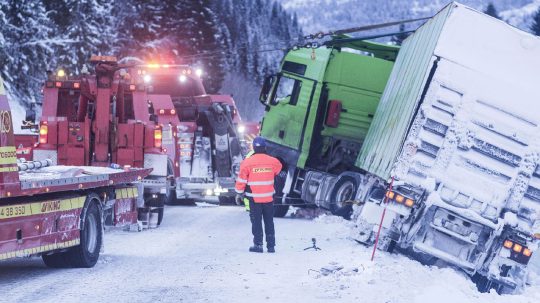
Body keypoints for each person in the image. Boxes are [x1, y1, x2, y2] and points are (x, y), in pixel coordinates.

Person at [235, 136, 282, 253]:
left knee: (256, 222)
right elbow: (278, 170)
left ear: (253, 148)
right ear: (265, 147)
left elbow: (241, 181)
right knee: (269, 221)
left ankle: (258, 245)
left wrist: (239, 194)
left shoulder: (246, 163)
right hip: (268, 198)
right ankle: (271, 246)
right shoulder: (273, 161)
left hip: (254, 199)